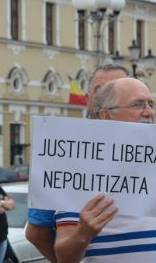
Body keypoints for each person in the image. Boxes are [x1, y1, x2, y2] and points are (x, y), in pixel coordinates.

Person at [54, 77, 156, 263]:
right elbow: (63, 257)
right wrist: (83, 233)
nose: (149, 112)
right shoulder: (77, 169)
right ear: (106, 116)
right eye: (138, 105)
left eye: (151, 104)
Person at [25, 63, 128, 262]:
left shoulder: (153, 155)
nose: (107, 97)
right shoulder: (61, 152)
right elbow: (36, 234)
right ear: (89, 100)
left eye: (115, 89)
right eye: (100, 91)